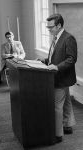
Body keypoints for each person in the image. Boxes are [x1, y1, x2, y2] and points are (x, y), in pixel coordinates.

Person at [38, 14, 77, 142]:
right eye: (47, 27)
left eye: (51, 27)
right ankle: (68, 125)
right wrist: (44, 60)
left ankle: (57, 134)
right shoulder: (56, 37)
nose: (48, 30)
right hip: (57, 75)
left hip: (61, 76)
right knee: (66, 102)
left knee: (57, 106)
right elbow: (54, 57)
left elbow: (71, 59)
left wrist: (57, 67)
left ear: (59, 25)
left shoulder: (68, 38)